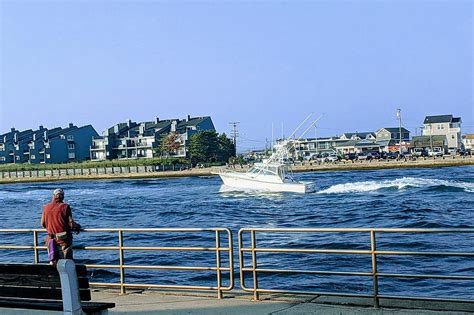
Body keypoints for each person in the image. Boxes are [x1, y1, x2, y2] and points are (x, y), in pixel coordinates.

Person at [41, 188, 81, 264]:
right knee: (67, 263)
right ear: (63, 197)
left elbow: (43, 224)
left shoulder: (46, 207)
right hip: (64, 240)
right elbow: (71, 224)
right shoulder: (65, 207)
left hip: (51, 240)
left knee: (54, 262)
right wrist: (78, 226)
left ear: (53, 196)